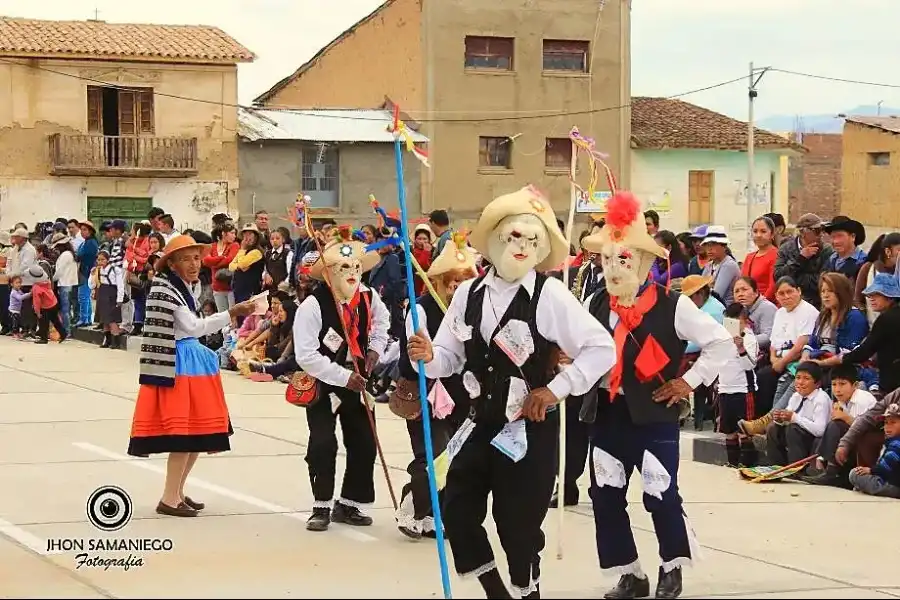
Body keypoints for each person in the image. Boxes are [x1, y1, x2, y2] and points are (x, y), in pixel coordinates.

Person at [407, 185, 617, 599]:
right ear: (496, 240)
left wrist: (555, 390)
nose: (521, 246)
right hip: (477, 424)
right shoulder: (468, 293)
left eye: (532, 240)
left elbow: (601, 348)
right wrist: (428, 355)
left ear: (541, 251)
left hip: (528, 429)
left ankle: (526, 590)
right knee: (456, 508)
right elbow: (448, 359)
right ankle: (494, 591)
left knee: (517, 525)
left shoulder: (550, 295)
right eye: (514, 237)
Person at [578, 191, 733, 600]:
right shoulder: (594, 303)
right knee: (605, 496)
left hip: (654, 417)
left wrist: (689, 382)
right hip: (607, 413)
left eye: (623, 259)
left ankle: (672, 567)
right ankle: (630, 572)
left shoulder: (673, 305)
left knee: (660, 493)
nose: (613, 267)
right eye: (607, 259)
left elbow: (721, 342)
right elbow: (580, 351)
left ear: (645, 262)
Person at [128, 234, 255, 516]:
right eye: (186, 258)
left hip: (190, 362)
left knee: (197, 433)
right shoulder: (166, 289)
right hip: (179, 364)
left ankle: (176, 493)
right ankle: (169, 498)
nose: (194, 263)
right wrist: (231, 313)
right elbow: (194, 327)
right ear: (172, 263)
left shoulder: (181, 286)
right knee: (184, 435)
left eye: (197, 257)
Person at [292, 225, 390, 532]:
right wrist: (342, 375)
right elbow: (306, 355)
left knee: (364, 443)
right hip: (325, 383)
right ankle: (321, 505)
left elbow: (382, 326)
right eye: (344, 267)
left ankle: (349, 504)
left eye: (356, 267)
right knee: (323, 443)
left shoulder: (368, 296)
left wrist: (374, 352)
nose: (352, 273)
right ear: (330, 272)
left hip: (360, 382)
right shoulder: (312, 305)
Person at [394, 230, 478, 539]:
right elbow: (418, 350)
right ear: (440, 282)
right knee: (431, 454)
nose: (456, 287)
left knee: (453, 456)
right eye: (451, 281)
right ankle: (412, 504)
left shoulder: (471, 310)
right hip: (424, 392)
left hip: (461, 394)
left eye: (463, 281)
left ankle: (432, 513)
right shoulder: (419, 308)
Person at [802, 363, 877, 487]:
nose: (837, 389)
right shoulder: (841, 401)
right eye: (834, 384)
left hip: (868, 446)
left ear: (855, 385)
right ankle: (821, 469)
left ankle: (832, 473)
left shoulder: (862, 399)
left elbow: (864, 430)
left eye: (842, 384)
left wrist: (846, 418)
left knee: (836, 425)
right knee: (829, 430)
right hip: (849, 444)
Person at [765, 361, 830, 470]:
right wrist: (780, 418)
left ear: (817, 383)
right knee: (772, 428)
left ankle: (797, 469)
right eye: (798, 377)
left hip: (815, 441)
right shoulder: (796, 396)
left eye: (806, 378)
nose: (800, 382)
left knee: (793, 429)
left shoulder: (821, 399)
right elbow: (789, 417)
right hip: (796, 436)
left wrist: (794, 418)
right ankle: (777, 467)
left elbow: (820, 430)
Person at [774, 213, 833, 309]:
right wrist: (801, 259)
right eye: (817, 230)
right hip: (790, 304)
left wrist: (793, 280)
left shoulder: (827, 250)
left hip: (817, 306)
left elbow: (823, 282)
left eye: (823, 230)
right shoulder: (786, 248)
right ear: (802, 233)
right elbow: (778, 276)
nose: (822, 234)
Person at [849, 403, 900, 498]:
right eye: (886, 423)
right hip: (891, 480)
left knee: (854, 474)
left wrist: (871, 470)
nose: (888, 427)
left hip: (895, 486)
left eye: (893, 422)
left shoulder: (897, 443)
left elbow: (885, 468)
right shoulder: (892, 441)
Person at [700, 225, 740, 306]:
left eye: (713, 244)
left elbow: (717, 294)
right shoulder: (709, 265)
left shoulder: (728, 265)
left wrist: (707, 287)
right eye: (707, 245)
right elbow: (700, 288)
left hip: (725, 309)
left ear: (724, 246)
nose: (709, 249)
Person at [741, 216, 778, 302]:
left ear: (772, 234)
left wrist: (759, 305)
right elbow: (742, 284)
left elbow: (772, 287)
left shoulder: (776, 255)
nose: (758, 235)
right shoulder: (749, 257)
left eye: (763, 231)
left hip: (766, 305)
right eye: (755, 231)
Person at [823, 215, 867, 283]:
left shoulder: (864, 262)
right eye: (833, 237)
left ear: (853, 237)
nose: (835, 241)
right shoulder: (830, 260)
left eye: (840, 236)